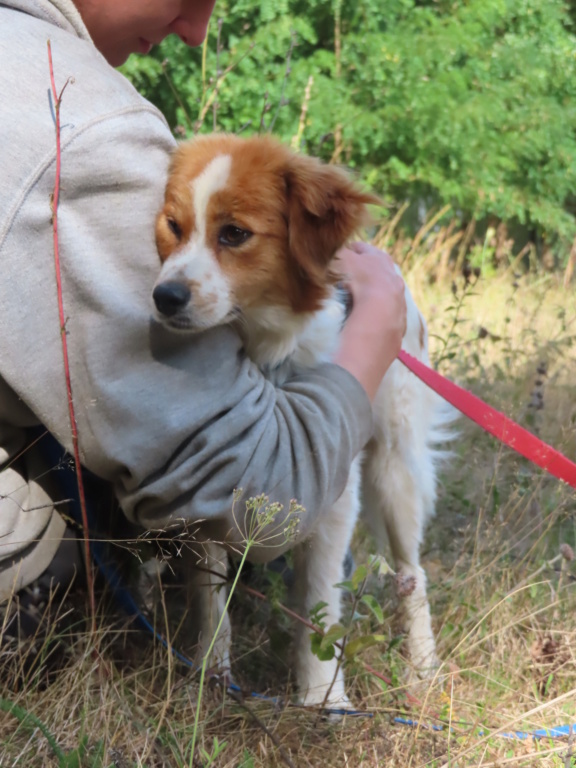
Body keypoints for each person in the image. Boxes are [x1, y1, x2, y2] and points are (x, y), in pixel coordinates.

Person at [0, 0, 407, 626]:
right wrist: (375, 328)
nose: (196, 34)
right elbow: (262, 507)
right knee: (70, 578)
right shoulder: (76, 118)